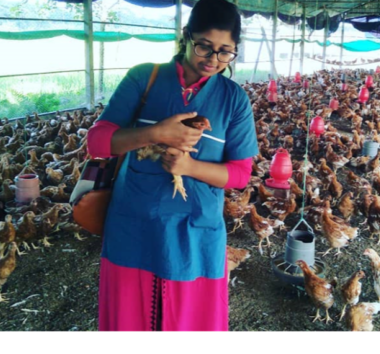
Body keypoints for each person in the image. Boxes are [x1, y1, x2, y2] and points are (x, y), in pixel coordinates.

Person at [87, 0, 258, 332]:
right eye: (204, 47)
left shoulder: (233, 98)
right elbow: (97, 142)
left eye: (225, 52)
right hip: (134, 224)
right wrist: (155, 133)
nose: (212, 60)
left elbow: (240, 173)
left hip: (196, 231)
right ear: (186, 36)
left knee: (190, 322)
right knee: (130, 319)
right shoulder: (145, 78)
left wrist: (189, 166)